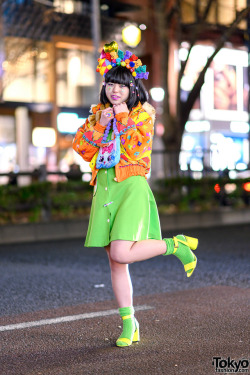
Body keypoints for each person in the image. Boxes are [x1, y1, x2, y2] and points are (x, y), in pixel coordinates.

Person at [73, 41, 198, 348]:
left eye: (122, 85)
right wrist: (100, 126)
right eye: (110, 85)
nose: (115, 90)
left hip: (131, 186)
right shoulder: (96, 115)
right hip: (104, 187)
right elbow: (82, 148)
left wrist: (122, 118)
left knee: (120, 252)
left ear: (132, 89)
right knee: (116, 263)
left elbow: (136, 147)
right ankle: (130, 324)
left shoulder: (143, 114)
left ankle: (174, 245)